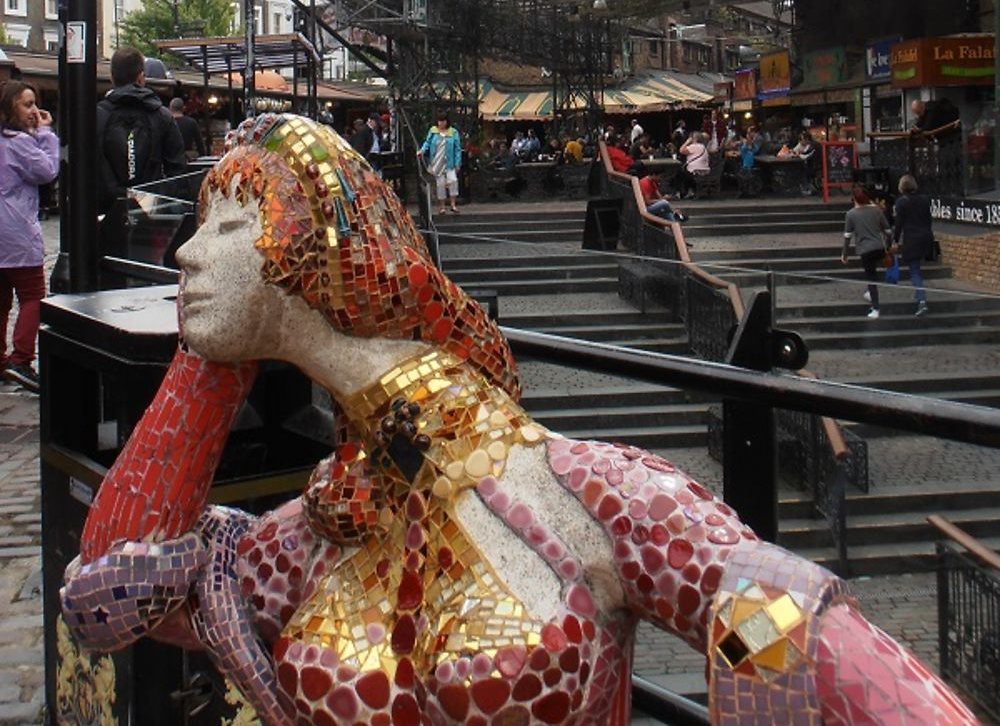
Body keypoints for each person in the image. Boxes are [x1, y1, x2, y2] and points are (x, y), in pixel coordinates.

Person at [60, 115, 974, 725]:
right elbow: (109, 594)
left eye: (224, 225)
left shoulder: (589, 495)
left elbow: (782, 625)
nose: (184, 249)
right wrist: (209, 365)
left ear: (312, 242)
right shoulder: (320, 529)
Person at [0, 81, 60, 393]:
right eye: (27, 105)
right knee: (33, 295)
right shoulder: (18, 143)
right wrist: (47, 135)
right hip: (16, 233)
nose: (34, 111)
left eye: (35, 104)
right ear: (10, 108)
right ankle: (21, 359)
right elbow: (47, 170)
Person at [96, 48, 187, 213]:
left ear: (112, 78)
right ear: (140, 77)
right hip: (151, 212)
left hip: (106, 213)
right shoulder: (162, 115)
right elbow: (177, 170)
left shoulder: (97, 116)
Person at [841, 186, 891, 319]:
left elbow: (847, 236)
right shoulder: (877, 211)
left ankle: (875, 308)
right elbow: (888, 231)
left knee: (871, 277)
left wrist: (844, 254)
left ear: (855, 199)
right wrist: (889, 245)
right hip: (879, 247)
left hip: (865, 249)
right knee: (874, 272)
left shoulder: (851, 214)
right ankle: (870, 293)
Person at [892, 174, 932, 315]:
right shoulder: (925, 200)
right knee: (917, 268)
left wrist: (895, 241)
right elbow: (928, 220)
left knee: (914, 269)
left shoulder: (901, 203)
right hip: (926, 237)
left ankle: (921, 301)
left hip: (912, 238)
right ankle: (918, 293)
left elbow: (898, 224)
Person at [419, 112, 462, 214]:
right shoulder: (433, 131)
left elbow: (457, 149)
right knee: (440, 184)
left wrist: (457, 163)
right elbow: (428, 143)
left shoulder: (453, 132)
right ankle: (442, 207)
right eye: (439, 121)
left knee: (453, 181)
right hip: (437, 161)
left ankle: (453, 204)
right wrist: (422, 150)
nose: (441, 123)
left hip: (449, 162)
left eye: (443, 121)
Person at [169, 97, 206, 161]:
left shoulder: (166, 123)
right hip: (188, 157)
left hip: (171, 157)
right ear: (183, 108)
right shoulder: (191, 122)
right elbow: (199, 143)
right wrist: (203, 157)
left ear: (170, 108)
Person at [677, 131, 711, 197]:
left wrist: (687, 142)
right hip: (704, 171)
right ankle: (690, 191)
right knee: (683, 173)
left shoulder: (694, 146)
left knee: (679, 174)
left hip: (696, 171)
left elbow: (681, 150)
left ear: (694, 139)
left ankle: (682, 193)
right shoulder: (703, 147)